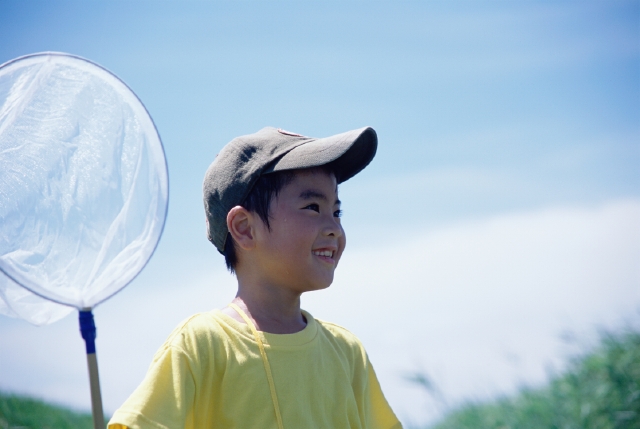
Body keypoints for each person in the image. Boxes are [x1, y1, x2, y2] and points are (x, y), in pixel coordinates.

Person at [108, 126, 402, 429]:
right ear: (245, 228)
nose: (334, 229)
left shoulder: (347, 353)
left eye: (337, 212)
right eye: (313, 207)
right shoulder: (202, 345)